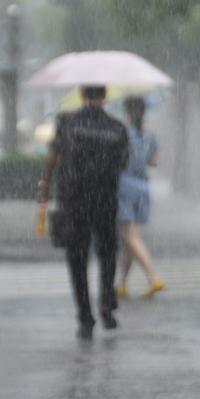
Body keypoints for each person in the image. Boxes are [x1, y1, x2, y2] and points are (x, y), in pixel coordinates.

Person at [37, 86, 129, 340]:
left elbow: (52, 157)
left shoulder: (67, 123)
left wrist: (44, 186)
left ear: (82, 95)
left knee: (77, 259)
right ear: (105, 97)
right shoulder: (117, 127)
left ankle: (85, 316)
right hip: (105, 200)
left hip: (74, 200)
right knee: (107, 253)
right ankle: (107, 306)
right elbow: (124, 164)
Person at [114, 96, 164, 299]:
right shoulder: (150, 135)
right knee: (128, 239)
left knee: (130, 235)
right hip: (143, 187)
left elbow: (118, 160)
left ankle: (153, 278)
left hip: (124, 185)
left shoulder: (122, 133)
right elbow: (153, 162)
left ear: (127, 112)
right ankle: (122, 284)